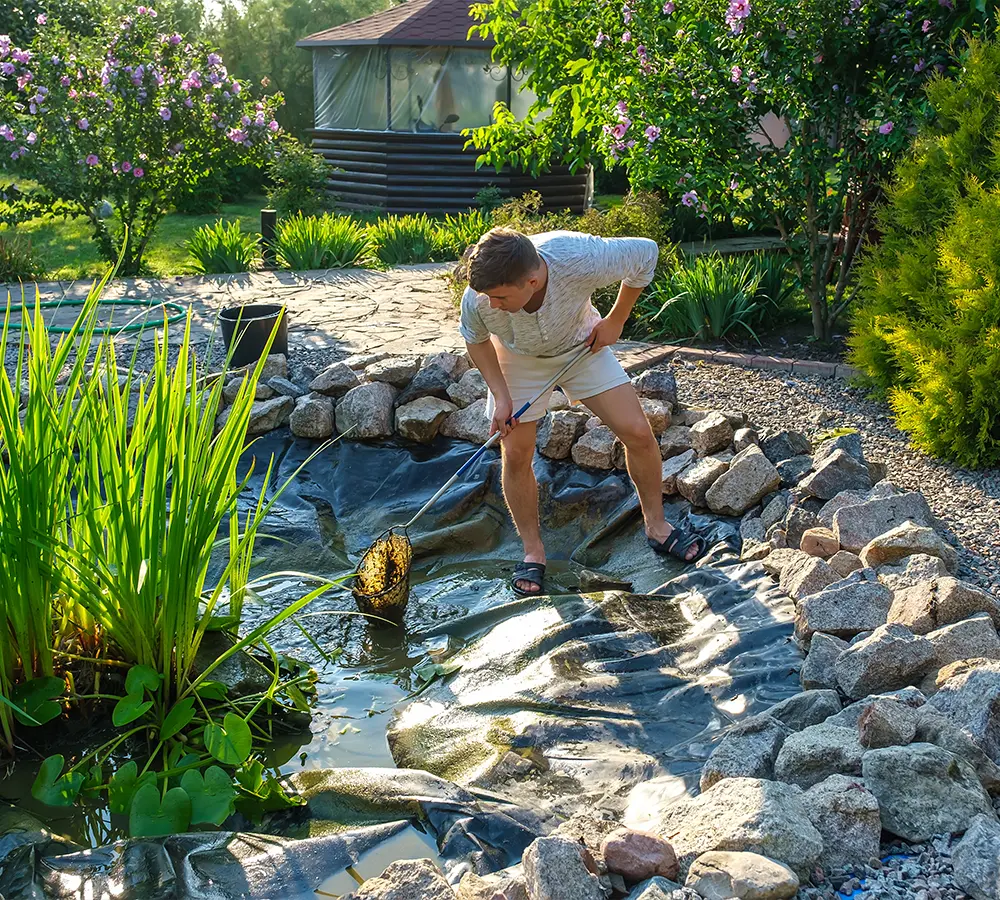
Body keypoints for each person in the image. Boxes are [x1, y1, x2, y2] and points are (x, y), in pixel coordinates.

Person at [459, 226, 706, 597]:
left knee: (638, 432)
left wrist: (617, 319)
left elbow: (646, 254)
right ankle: (533, 551)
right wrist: (501, 396)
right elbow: (475, 340)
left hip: (581, 347)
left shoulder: (578, 257)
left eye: (500, 297)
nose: (491, 304)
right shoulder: (479, 298)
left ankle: (657, 527)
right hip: (518, 358)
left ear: (531, 279)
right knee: (517, 453)